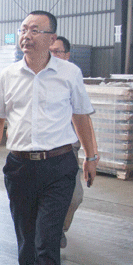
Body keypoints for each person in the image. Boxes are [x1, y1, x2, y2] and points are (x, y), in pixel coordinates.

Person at [0, 11, 98, 265]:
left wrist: (91, 156)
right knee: (26, 238)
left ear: (51, 38)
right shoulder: (8, 75)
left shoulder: (69, 73)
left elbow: (81, 116)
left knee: (47, 239)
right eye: (23, 29)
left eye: (35, 30)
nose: (27, 35)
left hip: (58, 166)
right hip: (20, 167)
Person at [49, 36, 95, 248]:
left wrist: (91, 155)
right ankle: (49, 234)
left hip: (69, 151)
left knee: (74, 197)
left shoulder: (72, 77)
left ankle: (59, 228)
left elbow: (84, 118)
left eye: (58, 52)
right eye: (51, 51)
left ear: (67, 55)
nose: (53, 55)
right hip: (43, 151)